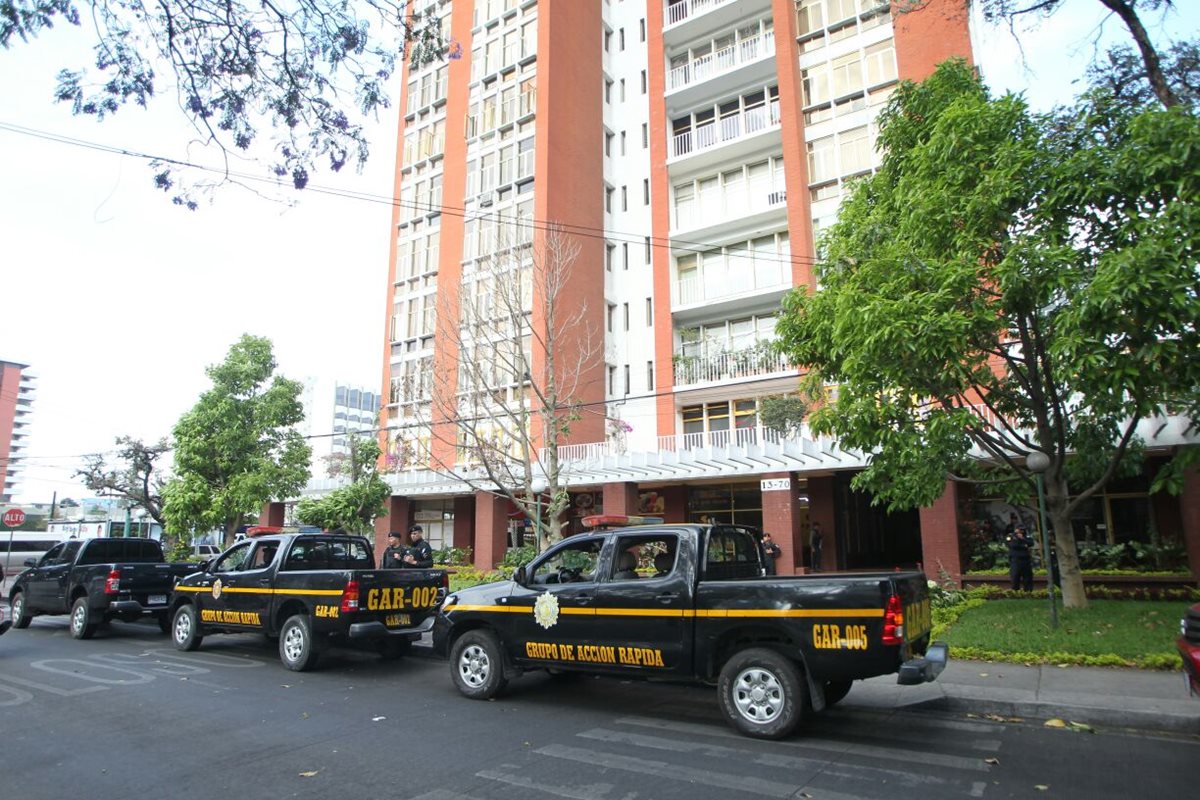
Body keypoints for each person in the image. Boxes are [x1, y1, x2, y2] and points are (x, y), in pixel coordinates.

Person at [1006, 525, 1034, 591]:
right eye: (1019, 530)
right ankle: (1015, 590)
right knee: (1015, 576)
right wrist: (1024, 545)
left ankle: (1028, 590)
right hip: (1015, 559)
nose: (1021, 531)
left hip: (1026, 560)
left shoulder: (1026, 536)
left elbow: (1031, 543)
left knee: (1027, 576)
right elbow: (1013, 545)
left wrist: (1023, 539)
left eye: (1022, 530)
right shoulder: (1011, 536)